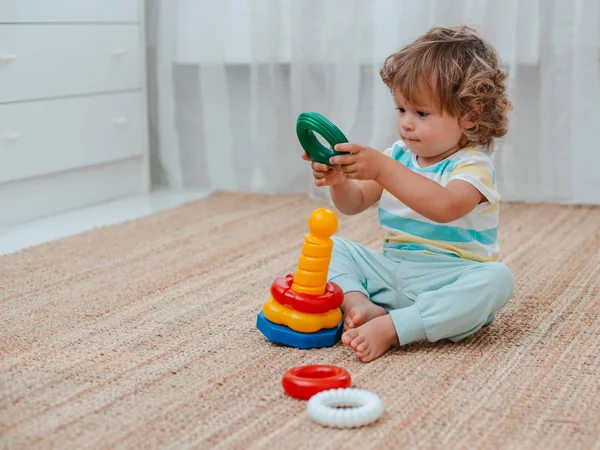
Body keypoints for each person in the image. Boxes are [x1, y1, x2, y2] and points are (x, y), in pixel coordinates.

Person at [301, 25, 515, 363]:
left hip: (447, 278)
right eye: (401, 110)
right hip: (391, 270)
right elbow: (353, 204)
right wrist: (340, 180)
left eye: (421, 113)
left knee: (497, 280)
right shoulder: (397, 156)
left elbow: (446, 207)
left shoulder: (473, 166)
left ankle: (396, 328)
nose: (406, 123)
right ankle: (360, 305)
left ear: (470, 117)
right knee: (330, 247)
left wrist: (384, 170)